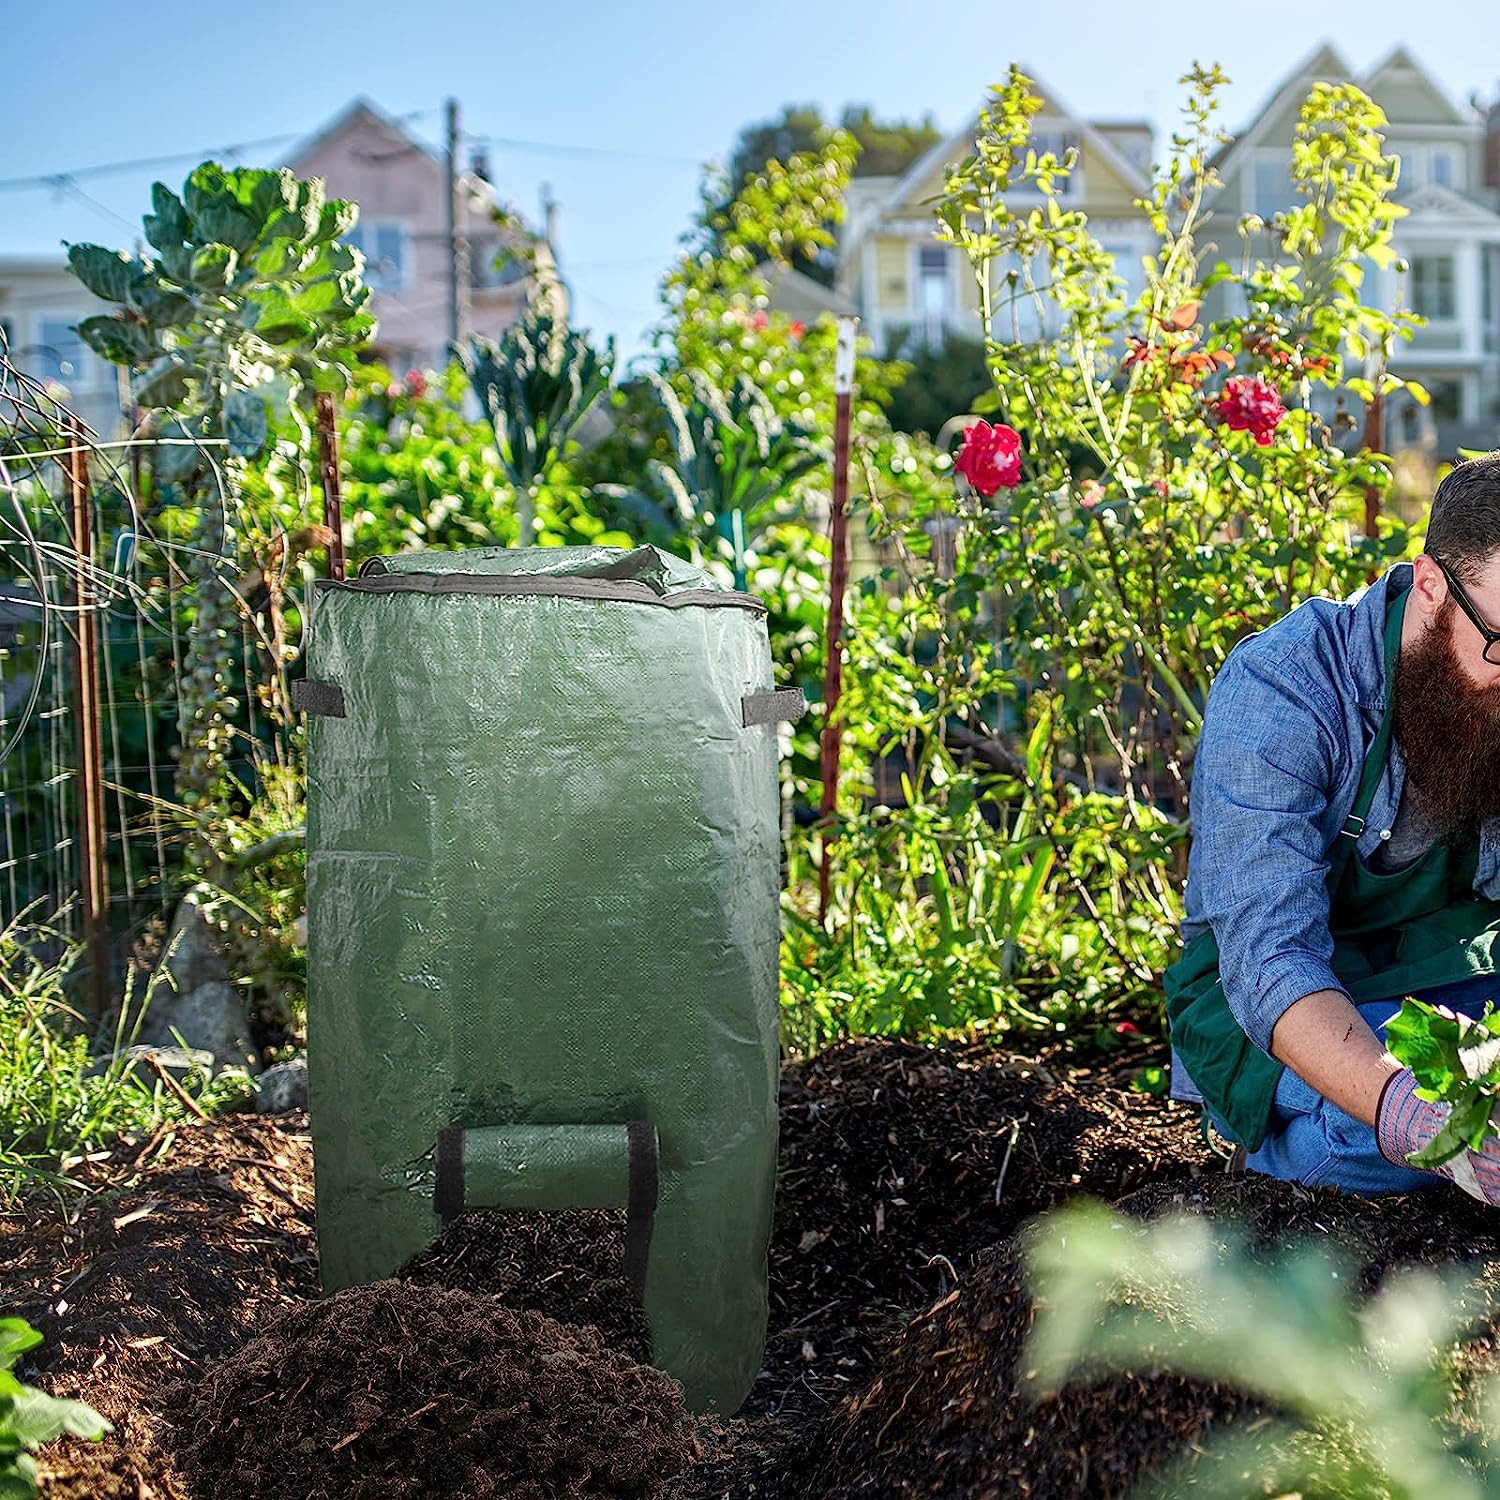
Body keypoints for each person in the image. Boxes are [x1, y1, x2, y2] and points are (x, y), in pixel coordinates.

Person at [1165, 452, 1500, 1201]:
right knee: (1389, 1137)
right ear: (1431, 587)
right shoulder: (1285, 687)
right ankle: (1287, 1168)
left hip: (1451, 979)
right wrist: (1407, 1114)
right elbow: (1270, 958)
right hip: (1280, 1006)